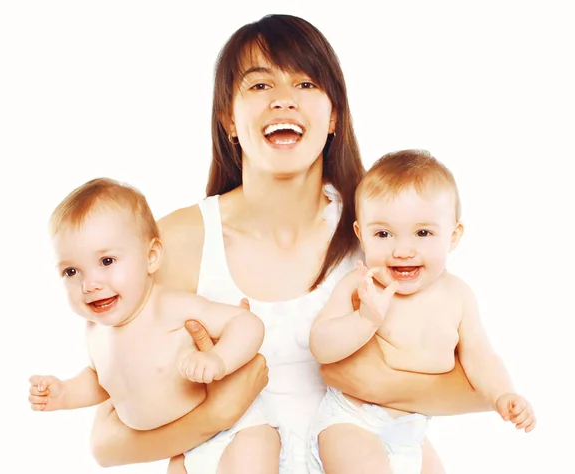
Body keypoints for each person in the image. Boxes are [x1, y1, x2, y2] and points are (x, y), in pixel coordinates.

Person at [88, 14, 490, 474]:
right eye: (259, 86)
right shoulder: (177, 242)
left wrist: (377, 381)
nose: (283, 100)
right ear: (228, 119)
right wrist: (217, 413)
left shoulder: (381, 235)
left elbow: (479, 386)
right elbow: (106, 443)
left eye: (305, 84)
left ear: (334, 114)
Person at [308, 149, 536, 473]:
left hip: (411, 431)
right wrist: (364, 320)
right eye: (383, 234)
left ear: (453, 236)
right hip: (351, 421)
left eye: (423, 233)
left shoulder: (458, 297)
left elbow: (480, 356)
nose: (402, 250)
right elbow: (320, 346)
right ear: (361, 234)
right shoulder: (361, 285)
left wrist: (502, 395)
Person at [27, 178, 273, 473]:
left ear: (151, 257)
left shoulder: (168, 307)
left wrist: (218, 359)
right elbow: (102, 381)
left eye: (107, 261)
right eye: (71, 271)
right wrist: (65, 393)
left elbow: (246, 323)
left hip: (240, 430)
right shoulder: (96, 332)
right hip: (181, 445)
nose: (90, 284)